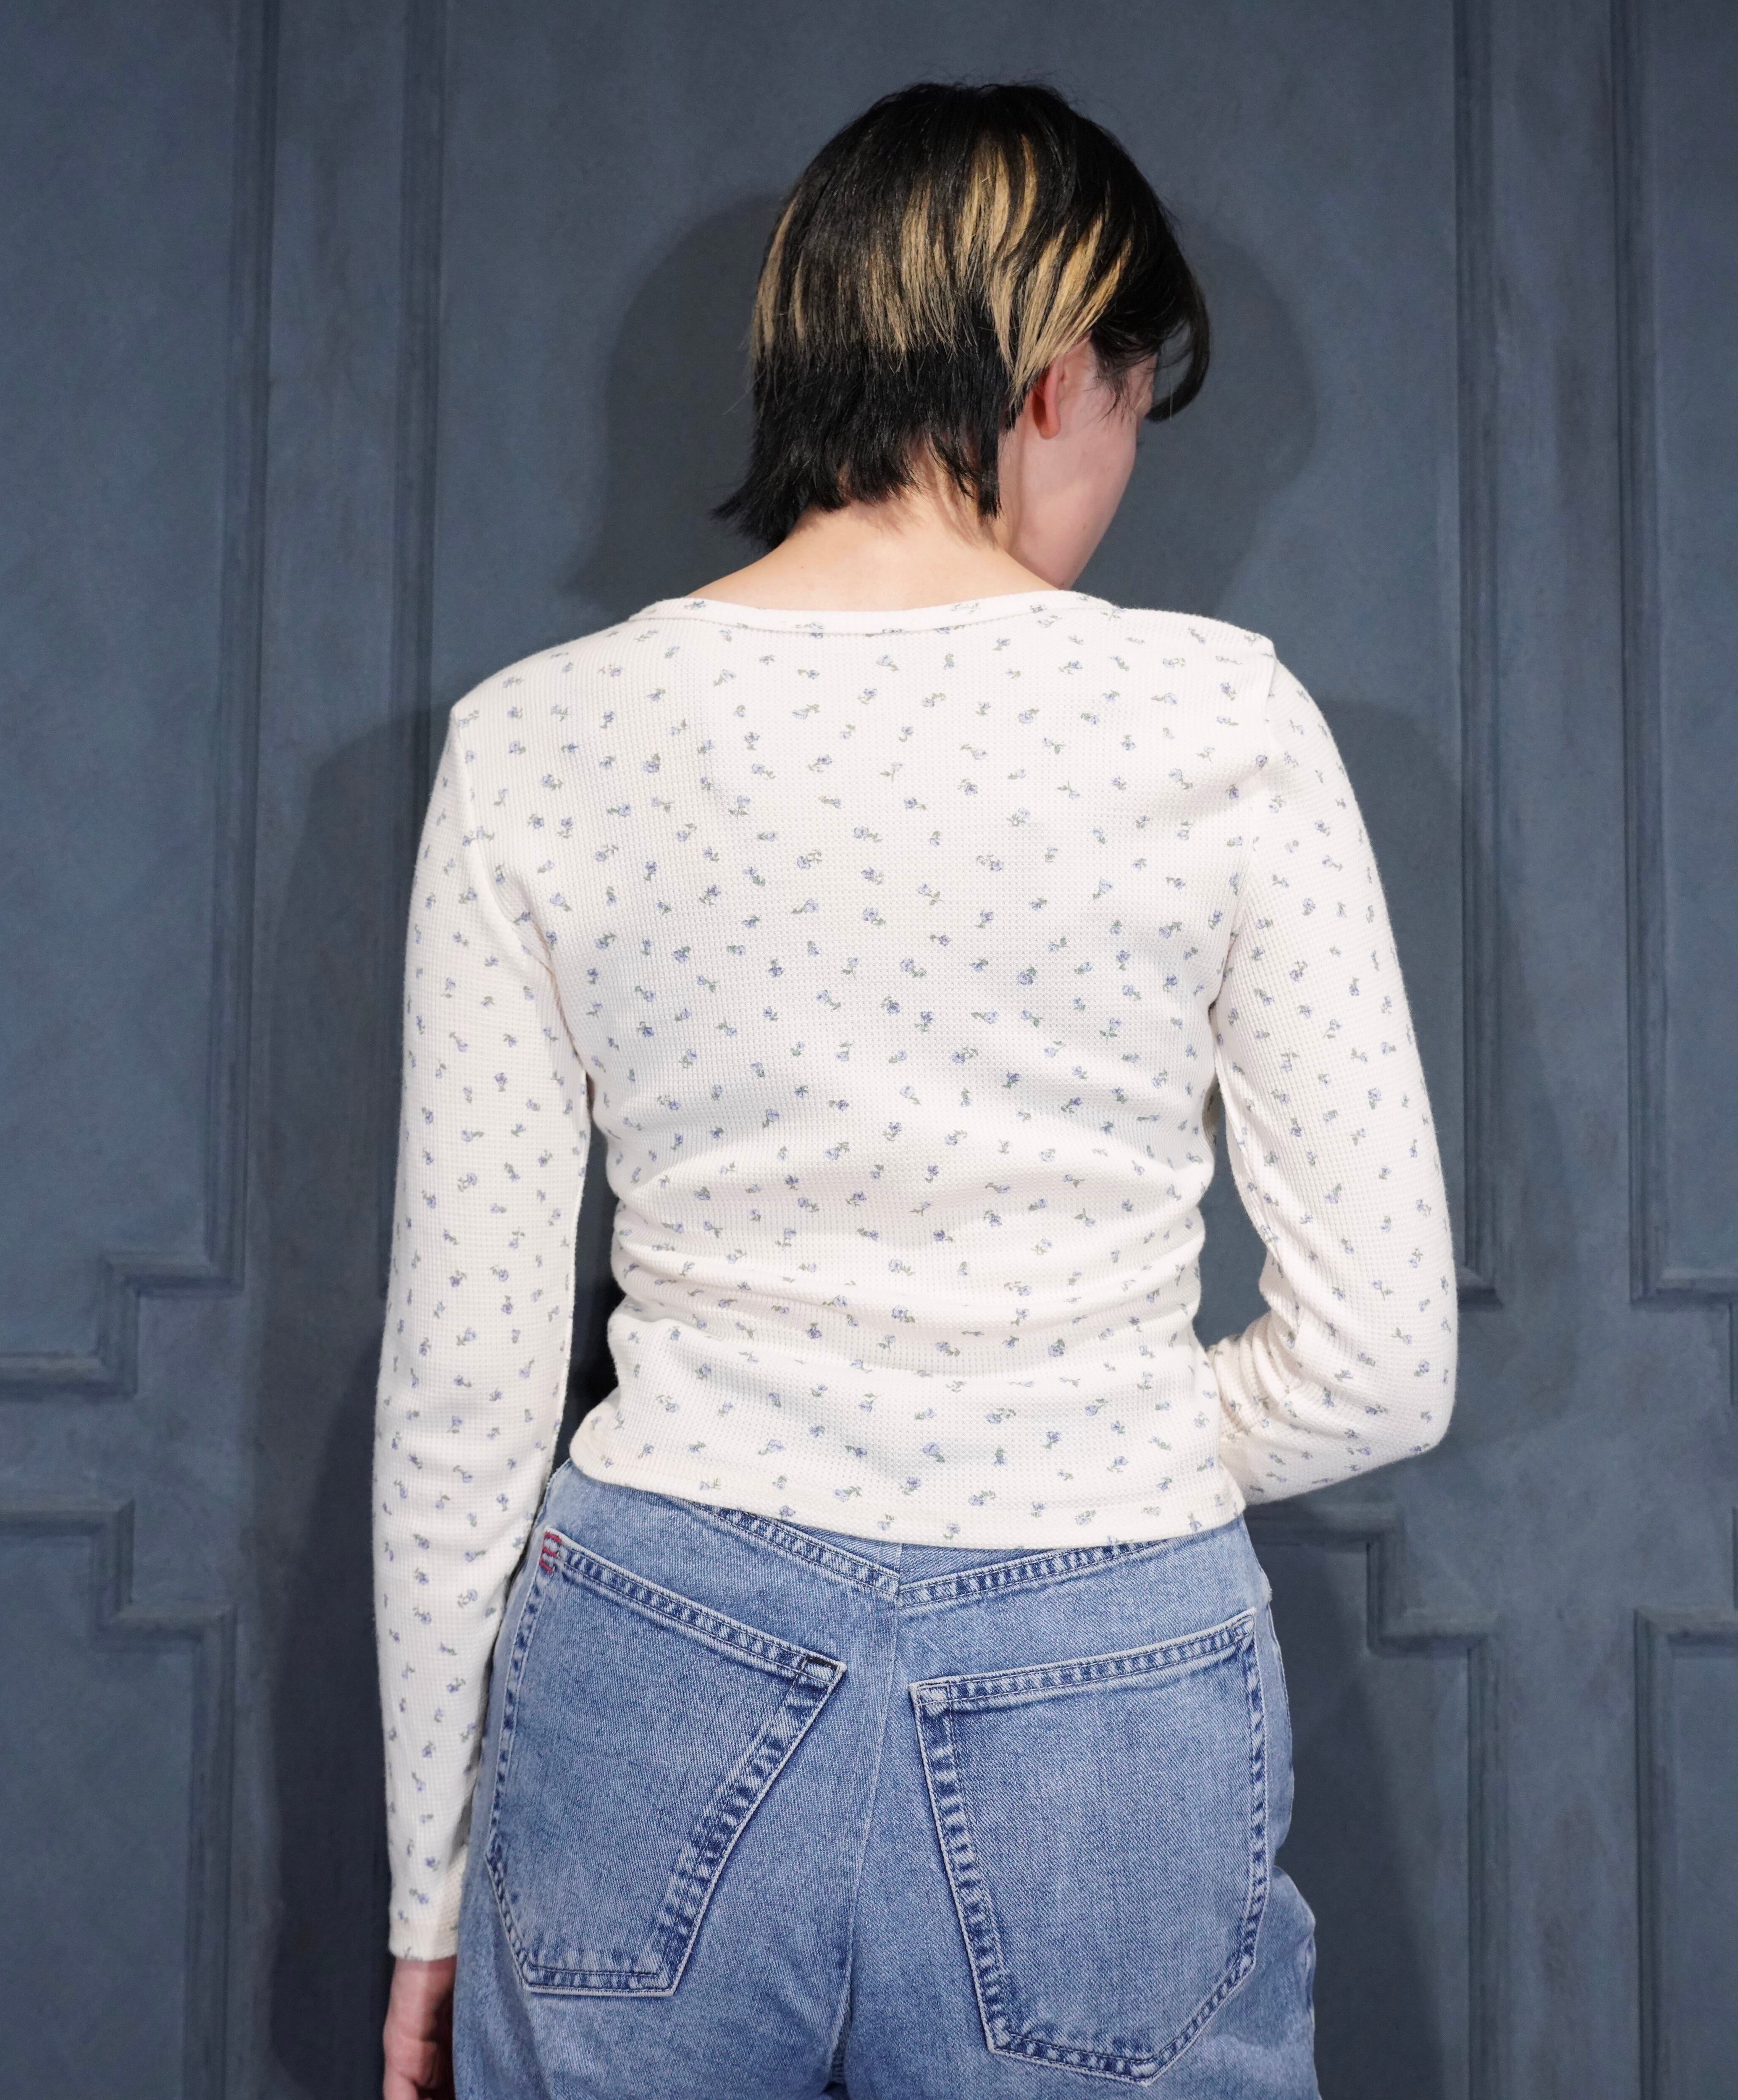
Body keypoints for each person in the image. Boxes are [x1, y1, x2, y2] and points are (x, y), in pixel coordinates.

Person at [376, 79, 1457, 2100]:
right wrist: (1083, 1434)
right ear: (1057, 381)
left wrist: (425, 1898)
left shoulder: (538, 741)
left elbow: (463, 1398)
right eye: (1132, 405)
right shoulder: (1219, 720)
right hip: (1104, 1676)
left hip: (650, 1658)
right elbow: (1380, 1366)